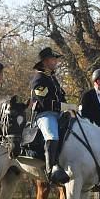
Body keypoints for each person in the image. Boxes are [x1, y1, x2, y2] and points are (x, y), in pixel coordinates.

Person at [30, 47, 70, 185]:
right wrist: (62, 106)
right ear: (46, 61)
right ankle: (50, 170)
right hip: (45, 114)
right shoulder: (39, 78)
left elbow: (61, 97)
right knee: (52, 136)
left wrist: (69, 107)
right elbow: (44, 101)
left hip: (58, 113)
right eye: (54, 59)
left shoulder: (52, 78)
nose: (56, 62)